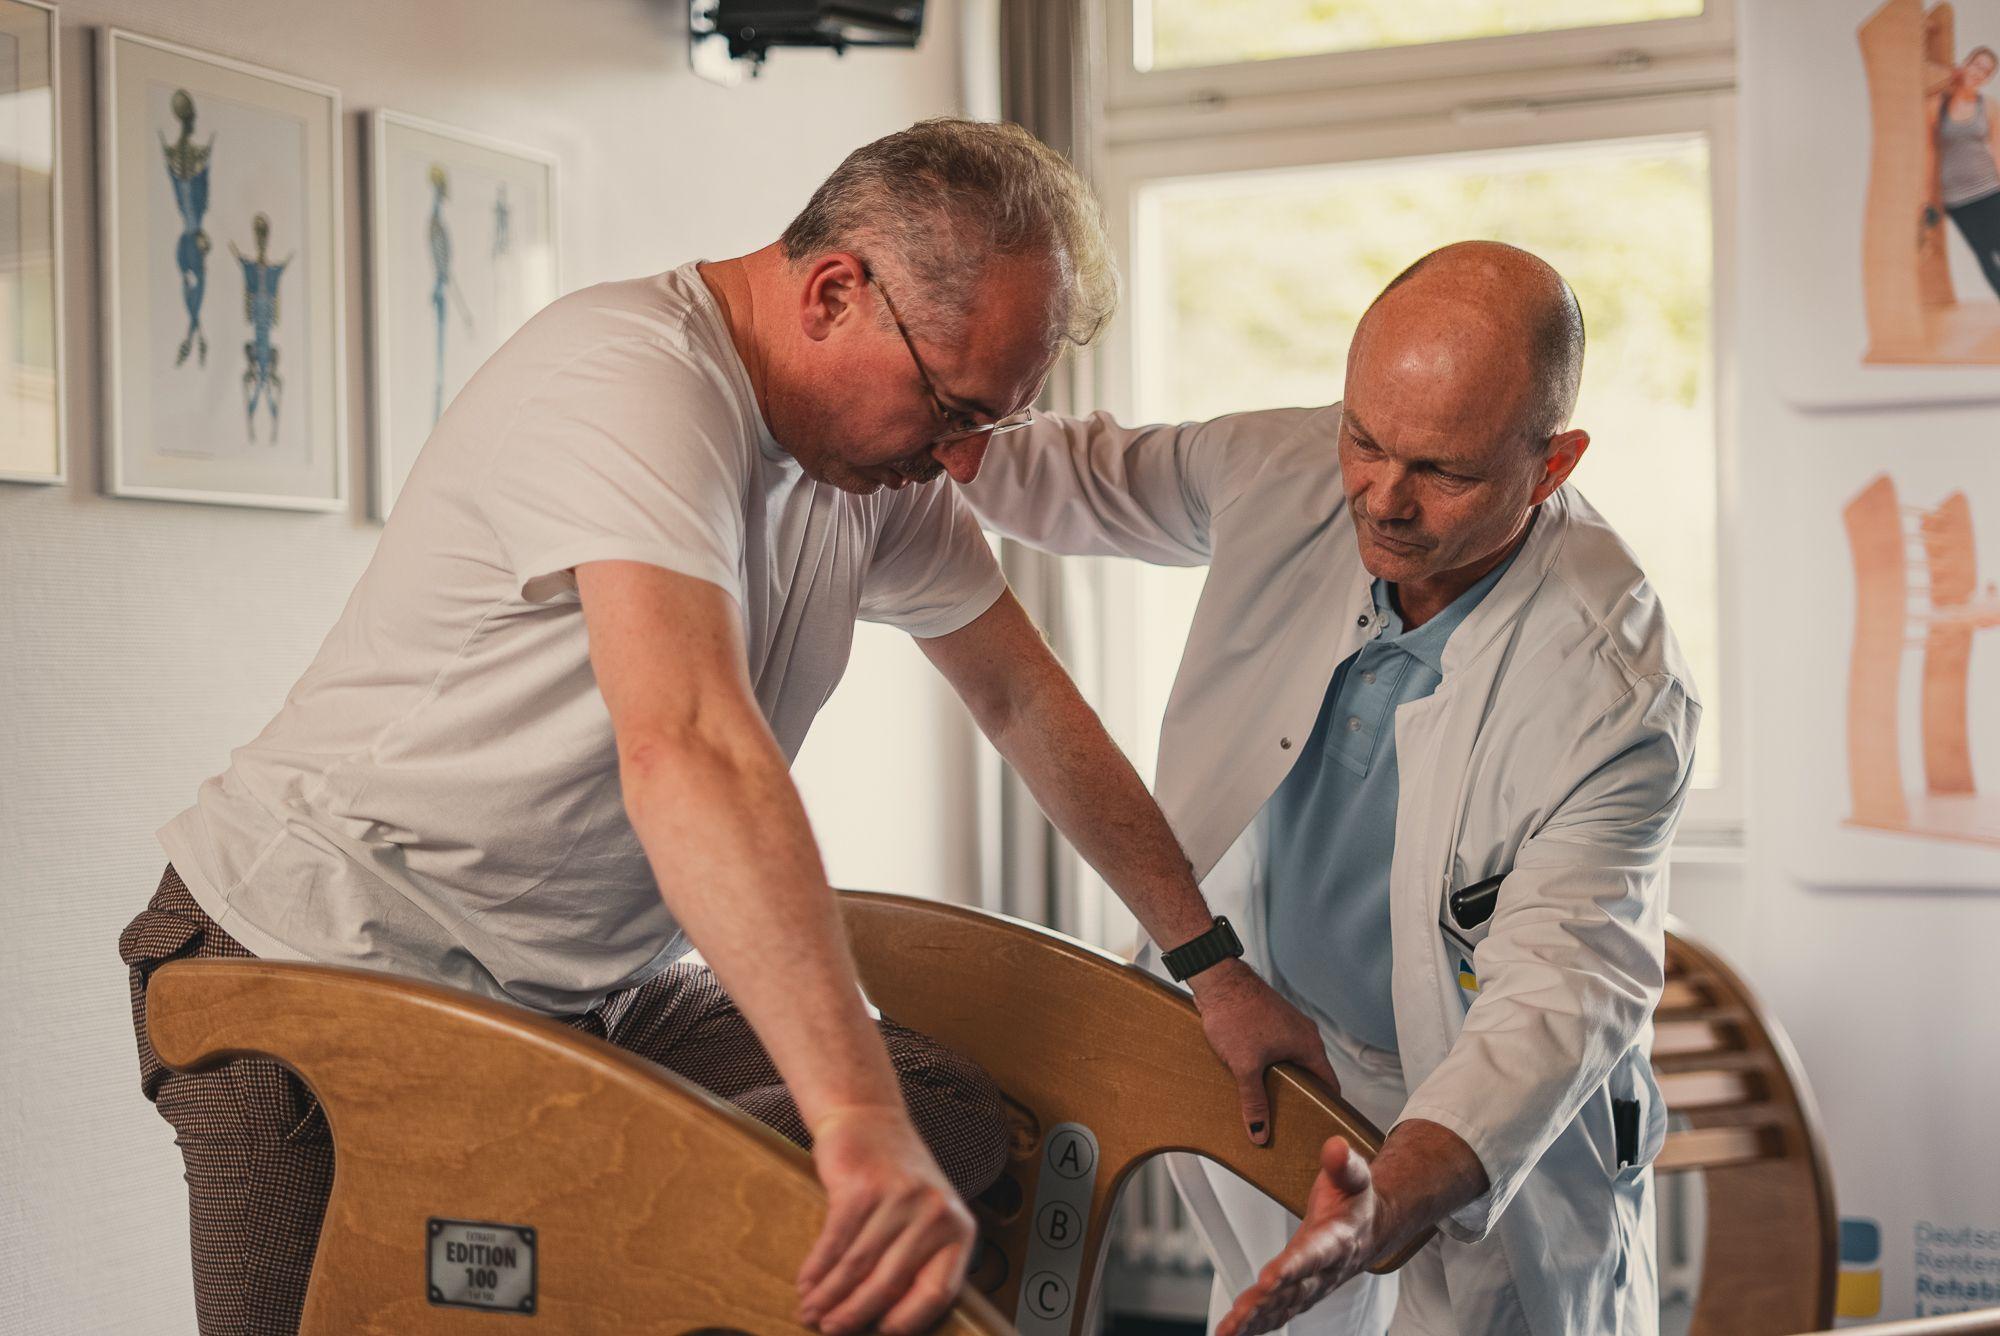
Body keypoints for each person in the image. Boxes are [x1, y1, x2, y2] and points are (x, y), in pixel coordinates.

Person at [120, 118, 1337, 1336]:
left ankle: (516, 1223)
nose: (959, 461)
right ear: (830, 291)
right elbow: (688, 744)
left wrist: (1209, 963)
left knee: (941, 1113)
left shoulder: (871, 475)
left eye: (990, 425)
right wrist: (845, 1124)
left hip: (579, 994)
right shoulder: (633, 381)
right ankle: (510, 1231)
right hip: (307, 953)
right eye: (949, 408)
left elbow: (1022, 700)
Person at [964, 241, 1699, 1336]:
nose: (1381, 498)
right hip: (1282, 1038)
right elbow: (1076, 476)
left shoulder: (1609, 683)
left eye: (1440, 472)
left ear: (1551, 465)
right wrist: (907, 424)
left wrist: (1391, 1196)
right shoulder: (1295, 463)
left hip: (1465, 1097)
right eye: (1364, 438)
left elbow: (1561, 992)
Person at [1927, 45, 2000, 300]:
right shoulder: (1938, 106)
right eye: (1977, 65)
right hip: (1957, 200)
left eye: (1987, 71)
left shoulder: (1988, 106)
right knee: (1984, 254)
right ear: (1965, 65)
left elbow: (1997, 150)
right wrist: (1929, 198)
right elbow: (1930, 153)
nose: (1980, 72)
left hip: (1990, 192)